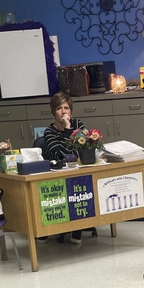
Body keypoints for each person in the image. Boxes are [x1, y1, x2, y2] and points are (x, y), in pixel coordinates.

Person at [40, 91, 95, 246]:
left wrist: (73, 132)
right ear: (53, 112)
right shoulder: (49, 131)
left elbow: (86, 144)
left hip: (78, 172)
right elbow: (62, 154)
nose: (64, 112)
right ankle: (67, 228)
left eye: (66, 108)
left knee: (83, 186)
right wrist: (68, 128)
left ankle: (78, 228)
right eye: (59, 108)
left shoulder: (79, 124)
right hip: (57, 175)